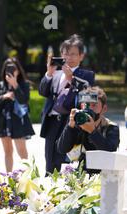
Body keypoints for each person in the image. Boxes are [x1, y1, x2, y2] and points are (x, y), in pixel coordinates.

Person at [39, 34, 95, 174]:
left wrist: (72, 79)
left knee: (70, 162)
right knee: (50, 162)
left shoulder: (87, 75)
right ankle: (49, 189)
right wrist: (49, 74)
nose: (68, 57)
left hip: (71, 123)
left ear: (81, 56)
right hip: (52, 122)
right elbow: (43, 92)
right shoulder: (56, 74)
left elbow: (89, 96)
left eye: (73, 54)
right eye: (65, 54)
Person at [56, 87, 120, 174]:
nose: (89, 109)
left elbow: (110, 152)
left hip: (102, 175)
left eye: (94, 105)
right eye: (86, 105)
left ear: (104, 108)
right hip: (79, 175)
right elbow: (61, 149)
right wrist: (70, 127)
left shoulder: (111, 127)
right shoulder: (77, 123)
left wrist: (93, 132)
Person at [0, 58, 35, 173]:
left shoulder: (23, 84)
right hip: (4, 122)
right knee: (7, 151)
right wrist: (4, 96)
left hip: (18, 121)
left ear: (18, 71)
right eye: (8, 69)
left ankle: (28, 177)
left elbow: (24, 100)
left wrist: (15, 85)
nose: (10, 71)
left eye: (13, 69)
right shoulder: (0, 86)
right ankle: (8, 177)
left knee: (22, 151)